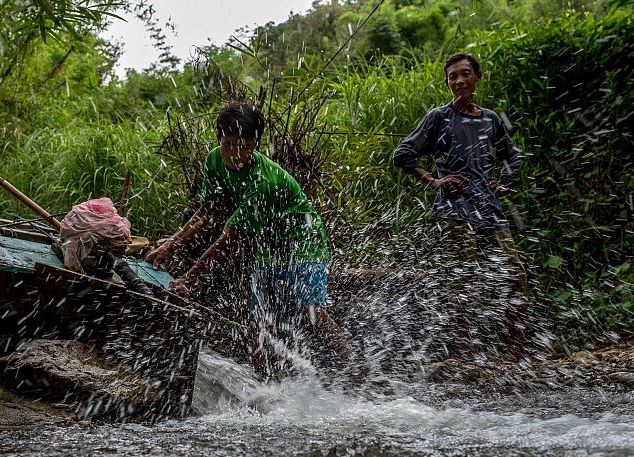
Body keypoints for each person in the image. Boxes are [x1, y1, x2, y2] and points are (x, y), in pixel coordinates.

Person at [146, 102, 364, 386]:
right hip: (270, 245)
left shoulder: (265, 182)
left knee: (311, 311)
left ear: (256, 145)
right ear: (217, 138)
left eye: (246, 147)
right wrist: (169, 246)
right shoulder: (214, 160)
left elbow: (228, 240)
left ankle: (356, 377)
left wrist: (188, 279)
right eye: (229, 144)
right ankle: (265, 390)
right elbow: (206, 212)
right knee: (259, 321)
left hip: (303, 242)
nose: (236, 154)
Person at [392, 52, 529, 361]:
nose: (459, 81)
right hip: (454, 209)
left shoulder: (491, 119)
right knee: (462, 277)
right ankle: (464, 349)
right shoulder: (438, 118)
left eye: (465, 74)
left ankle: (516, 349)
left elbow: (513, 156)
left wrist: (504, 184)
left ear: (477, 77)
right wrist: (433, 180)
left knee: (515, 275)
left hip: (489, 208)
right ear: (447, 83)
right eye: (453, 76)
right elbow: (402, 154)